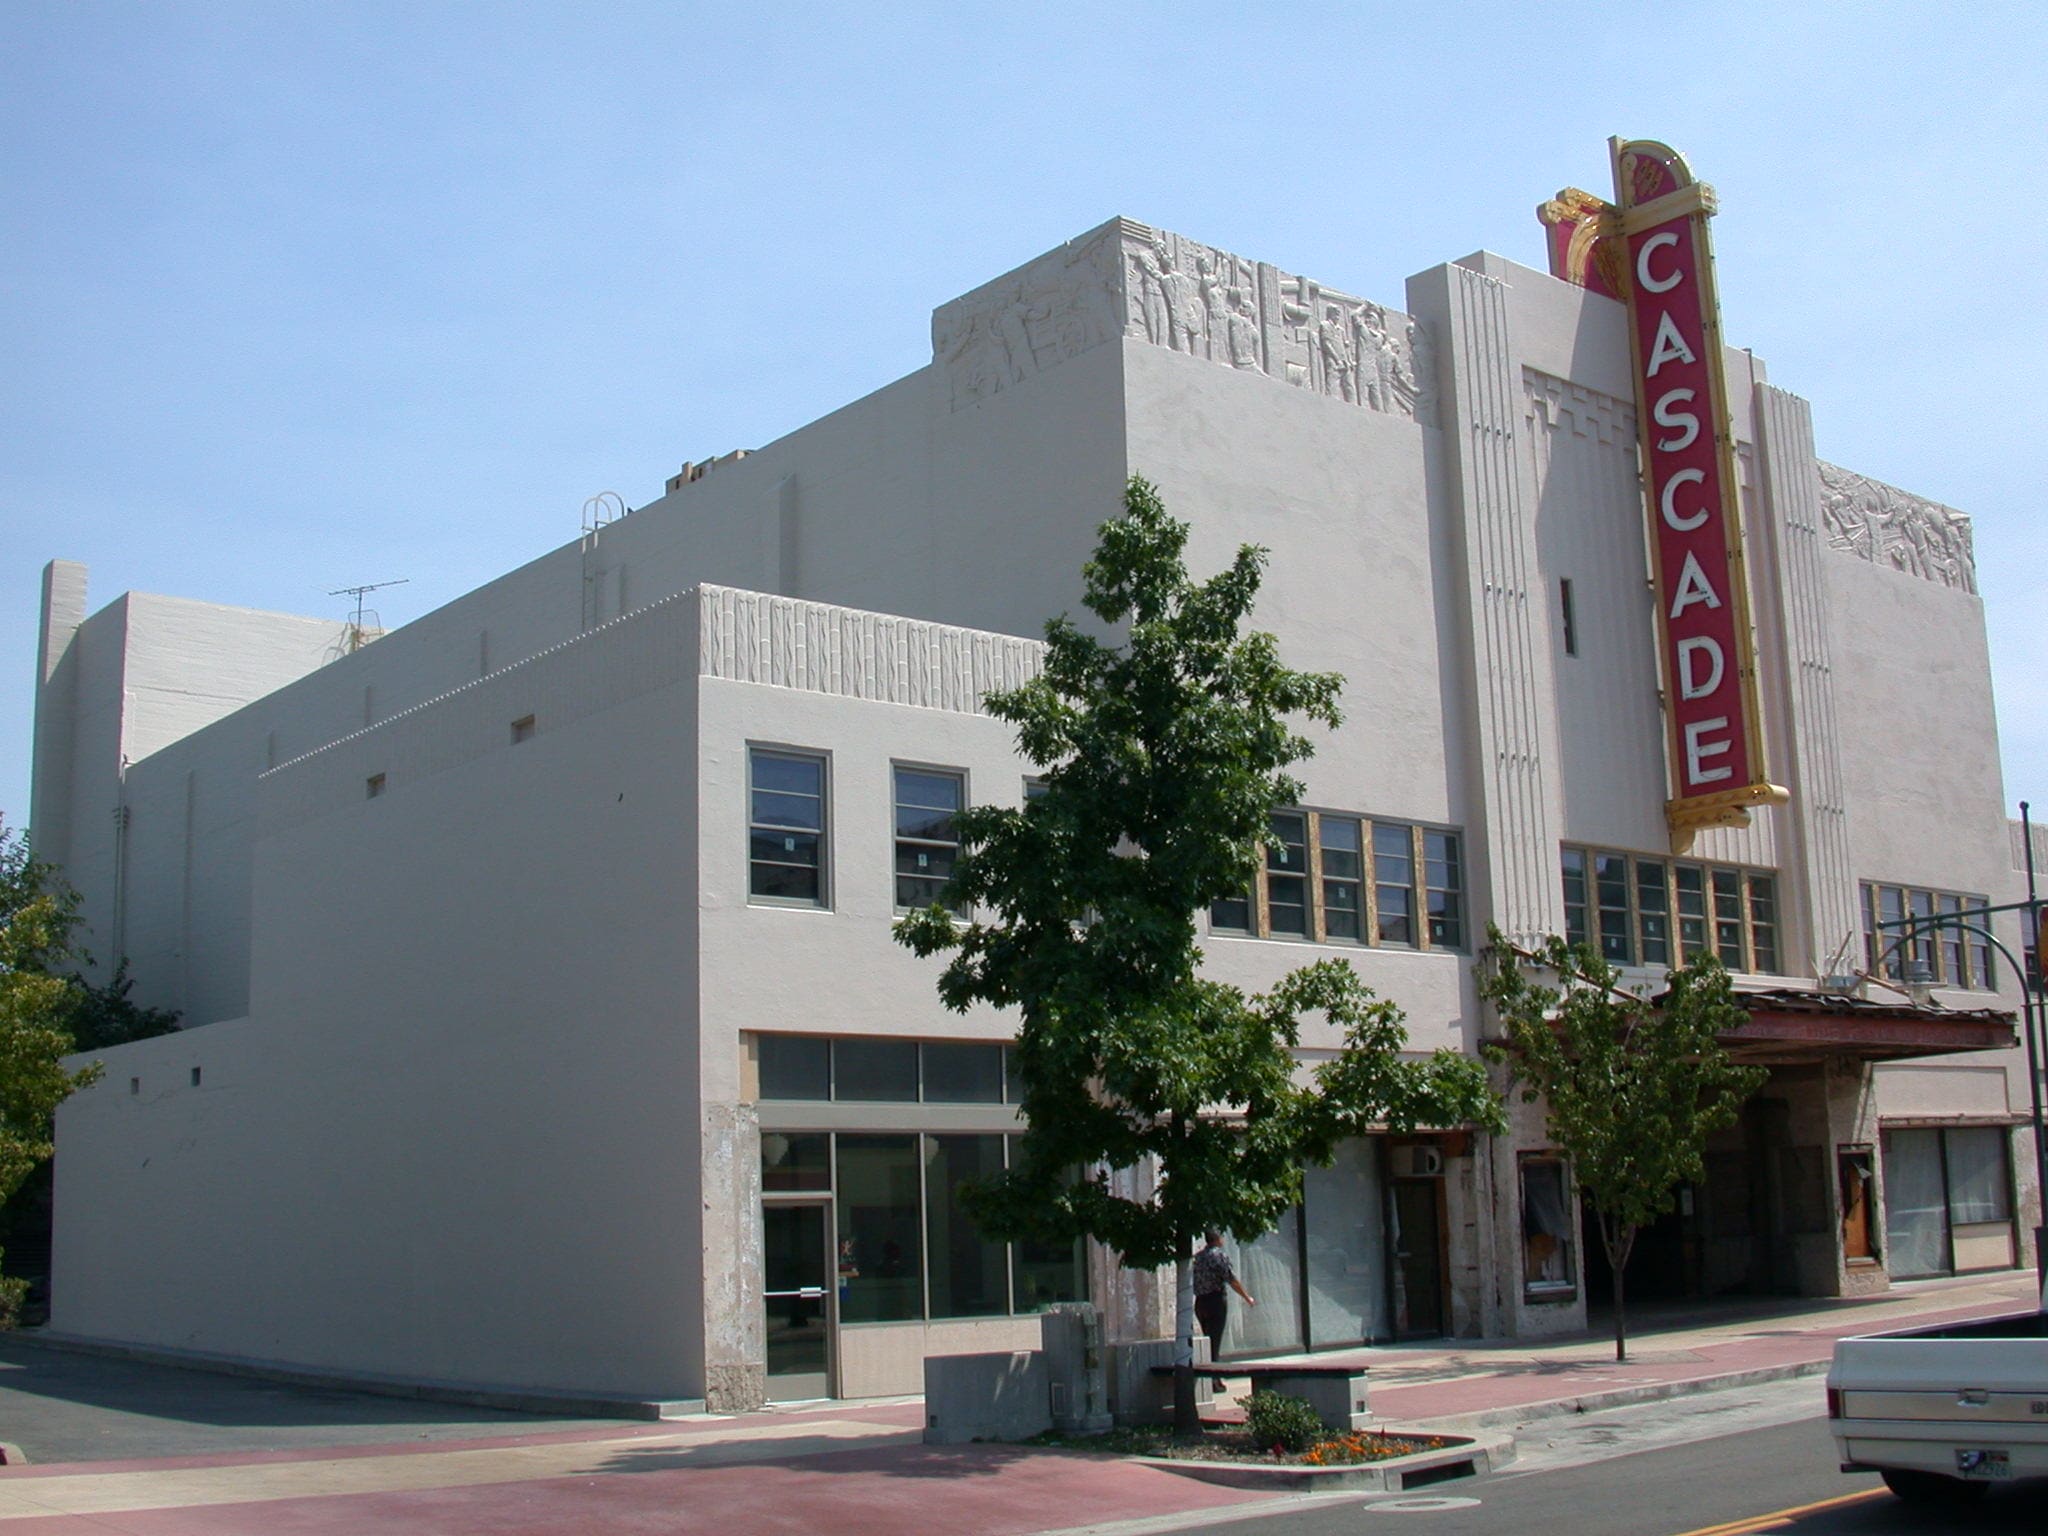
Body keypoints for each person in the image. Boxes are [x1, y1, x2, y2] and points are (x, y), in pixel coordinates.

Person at [1192, 1229, 1255, 1385]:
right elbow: (1231, 1279)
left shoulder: (1197, 1258)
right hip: (1215, 1301)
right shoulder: (1218, 1256)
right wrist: (1246, 1297)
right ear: (1217, 1239)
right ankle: (1214, 1379)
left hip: (1200, 1302)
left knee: (1208, 1340)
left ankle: (1212, 1379)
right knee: (1214, 1342)